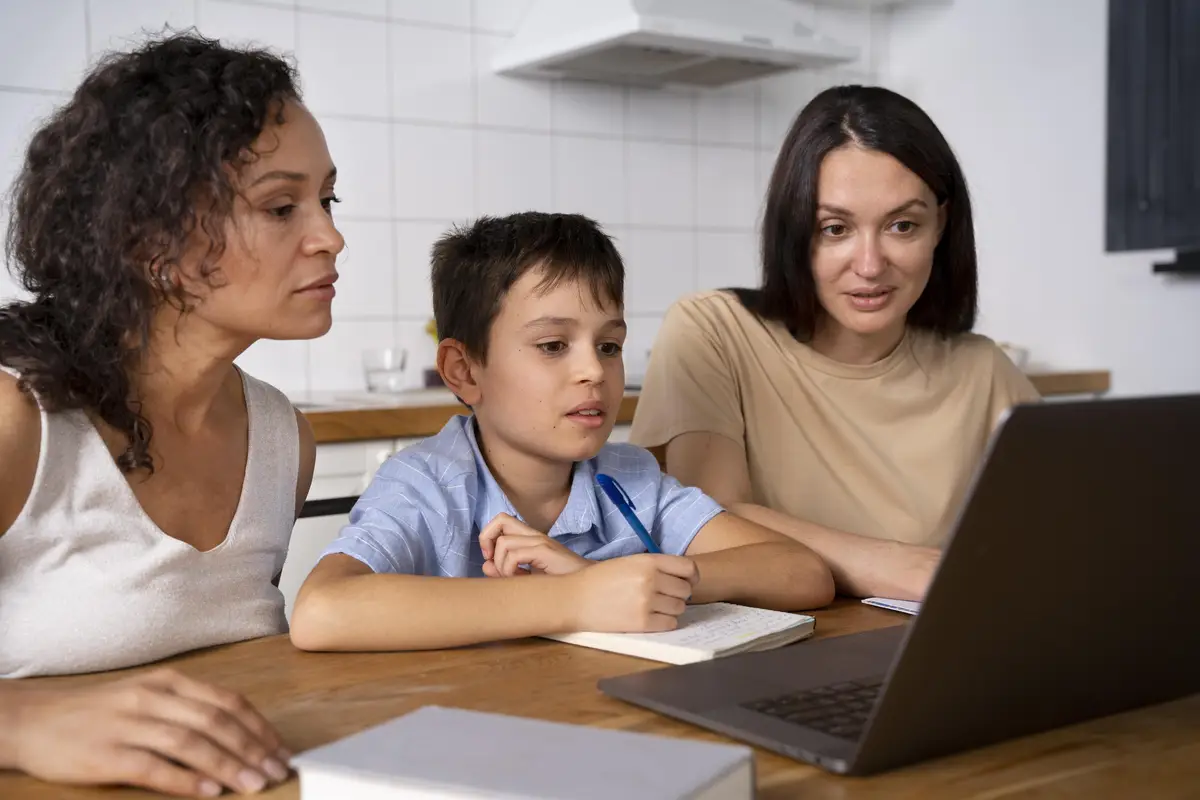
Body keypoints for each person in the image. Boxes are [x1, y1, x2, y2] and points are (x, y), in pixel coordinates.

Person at [0, 33, 344, 796]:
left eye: (327, 199)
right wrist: (23, 723)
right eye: (281, 206)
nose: (329, 236)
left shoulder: (285, 440)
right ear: (152, 240)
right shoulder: (16, 420)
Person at [289, 212, 834, 653]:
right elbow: (321, 611)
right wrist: (577, 595)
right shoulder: (427, 484)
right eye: (553, 346)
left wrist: (643, 579)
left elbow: (801, 572)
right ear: (464, 370)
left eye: (609, 346)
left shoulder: (630, 480)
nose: (594, 371)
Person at [630, 85, 1039, 603]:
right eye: (835, 228)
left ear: (942, 225)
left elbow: (1076, 532)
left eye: (902, 225)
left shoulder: (984, 370)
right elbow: (709, 513)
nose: (869, 265)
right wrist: (894, 564)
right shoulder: (715, 330)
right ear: (794, 231)